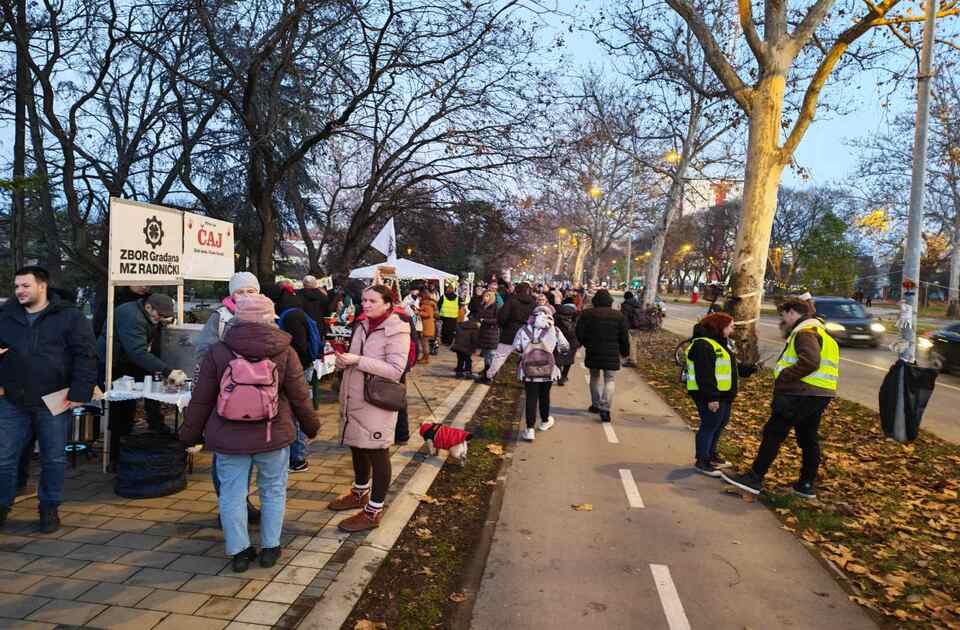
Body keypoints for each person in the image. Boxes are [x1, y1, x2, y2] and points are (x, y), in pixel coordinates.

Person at [179, 294, 318, 572]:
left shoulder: (219, 351)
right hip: (272, 436)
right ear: (271, 318)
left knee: (231, 493)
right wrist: (311, 426)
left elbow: (202, 398)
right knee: (273, 491)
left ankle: (239, 551)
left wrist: (190, 434)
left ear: (238, 318)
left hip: (229, 438)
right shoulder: (285, 351)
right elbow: (300, 396)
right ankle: (270, 547)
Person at [0, 266, 97, 532]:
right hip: (12, 400)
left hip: (53, 400)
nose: (19, 291)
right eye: (17, 286)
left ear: (42, 286)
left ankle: (49, 508)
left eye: (25, 286)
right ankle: (2, 506)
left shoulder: (69, 317)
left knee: (53, 458)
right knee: (4, 458)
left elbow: (85, 355)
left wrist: (80, 392)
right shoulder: (6, 316)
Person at [721, 298, 839, 499]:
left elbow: (810, 361)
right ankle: (806, 484)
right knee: (808, 438)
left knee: (774, 433)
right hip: (820, 394)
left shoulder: (805, 332)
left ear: (792, 312)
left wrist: (784, 376)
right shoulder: (822, 332)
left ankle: (754, 478)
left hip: (798, 393)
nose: (784, 321)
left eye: (784, 316)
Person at [329, 286, 411, 532]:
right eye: (363, 299)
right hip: (353, 397)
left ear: (388, 304)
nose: (365, 304)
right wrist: (343, 361)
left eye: (372, 300)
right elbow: (356, 357)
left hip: (377, 400)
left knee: (377, 451)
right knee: (357, 445)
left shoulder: (397, 329)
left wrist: (357, 361)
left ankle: (373, 511)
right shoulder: (362, 324)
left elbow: (396, 370)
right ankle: (359, 492)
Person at [193, 272, 262, 523]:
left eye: (250, 291)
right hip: (226, 397)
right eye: (239, 292)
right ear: (231, 295)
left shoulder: (265, 315)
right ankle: (228, 508)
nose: (245, 297)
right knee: (224, 454)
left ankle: (241, 502)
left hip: (256, 397)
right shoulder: (220, 318)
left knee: (249, 452)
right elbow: (203, 354)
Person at [97, 293, 187, 467]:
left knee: (127, 412)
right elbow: (137, 352)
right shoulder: (131, 317)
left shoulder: (147, 315)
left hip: (128, 362)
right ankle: (115, 457)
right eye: (158, 315)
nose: (160, 318)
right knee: (119, 412)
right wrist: (167, 371)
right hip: (113, 364)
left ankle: (123, 451)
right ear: (148, 307)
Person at [685, 312, 757, 476]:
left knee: (719, 423)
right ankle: (702, 460)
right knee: (709, 425)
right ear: (719, 327)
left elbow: (728, 367)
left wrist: (748, 369)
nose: (732, 330)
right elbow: (705, 374)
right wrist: (711, 398)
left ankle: (710, 454)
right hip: (710, 395)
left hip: (722, 395)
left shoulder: (719, 343)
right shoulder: (703, 345)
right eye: (730, 326)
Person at [263, 283, 313, 473]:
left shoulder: (290, 315)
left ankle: (298, 458)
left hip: (297, 369)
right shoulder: (295, 307)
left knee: (294, 414)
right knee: (293, 413)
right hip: (296, 368)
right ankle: (294, 456)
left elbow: (298, 346)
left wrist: (286, 358)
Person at [514, 305, 569, 441]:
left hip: (528, 371)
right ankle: (544, 421)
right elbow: (564, 348)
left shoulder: (523, 330)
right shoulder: (554, 330)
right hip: (548, 370)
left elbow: (517, 348)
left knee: (531, 397)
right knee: (545, 395)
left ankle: (530, 429)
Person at [576, 289, 629, 423]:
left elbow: (579, 332)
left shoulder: (587, 314)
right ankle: (605, 408)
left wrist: (584, 343)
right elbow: (624, 337)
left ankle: (595, 404)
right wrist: (625, 352)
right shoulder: (619, 316)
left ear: (595, 302)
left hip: (593, 350)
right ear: (610, 302)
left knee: (594, 377)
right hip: (612, 353)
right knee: (609, 380)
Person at [483, 282, 535, 382]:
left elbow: (502, 317)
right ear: (528, 291)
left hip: (510, 332)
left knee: (500, 356)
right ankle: (524, 378)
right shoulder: (533, 303)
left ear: (517, 290)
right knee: (525, 357)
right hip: (526, 333)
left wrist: (504, 326)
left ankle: (489, 375)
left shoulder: (512, 301)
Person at [554, 297, 579, 385]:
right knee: (568, 360)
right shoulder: (576, 318)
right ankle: (564, 376)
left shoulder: (556, 317)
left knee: (558, 359)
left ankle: (559, 375)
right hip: (572, 342)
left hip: (559, 342)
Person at [476, 290, 500, 380]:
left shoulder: (495, 307)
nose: (485, 298)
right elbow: (478, 316)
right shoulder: (483, 306)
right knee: (486, 355)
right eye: (484, 296)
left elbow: (497, 320)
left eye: (487, 296)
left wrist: (485, 320)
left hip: (491, 334)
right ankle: (486, 372)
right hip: (483, 333)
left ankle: (491, 374)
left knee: (491, 355)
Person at [418, 291, 437, 364]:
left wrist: (419, 313)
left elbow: (428, 314)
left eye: (420, 297)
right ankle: (424, 357)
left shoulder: (427, 304)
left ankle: (426, 358)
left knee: (425, 343)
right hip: (427, 326)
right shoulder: (427, 304)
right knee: (424, 343)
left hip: (427, 326)